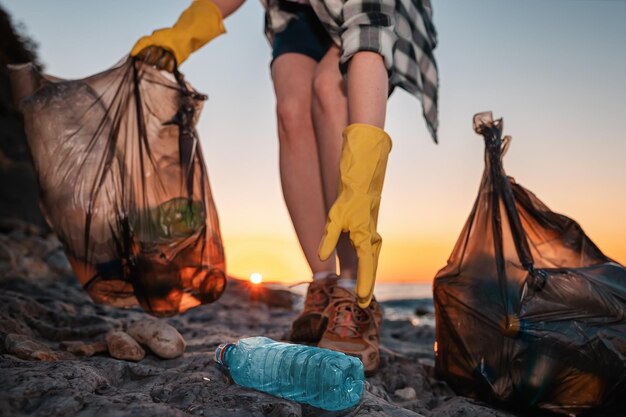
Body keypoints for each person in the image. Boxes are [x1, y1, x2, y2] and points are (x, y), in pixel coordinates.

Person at [131, 0, 438, 372]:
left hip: (370, 16)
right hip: (299, 15)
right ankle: (323, 283)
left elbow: (368, 44)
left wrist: (360, 182)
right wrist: (182, 35)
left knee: (330, 87)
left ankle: (355, 291)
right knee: (291, 109)